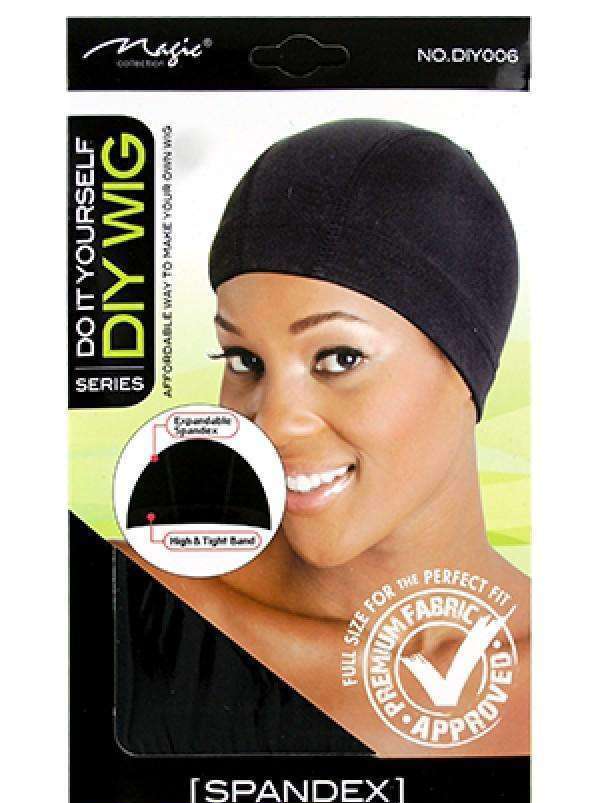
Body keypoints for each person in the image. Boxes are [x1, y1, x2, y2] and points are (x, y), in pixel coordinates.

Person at [119, 119, 530, 756]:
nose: (272, 424)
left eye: (339, 358)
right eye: (244, 361)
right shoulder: (124, 604)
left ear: (466, 366)